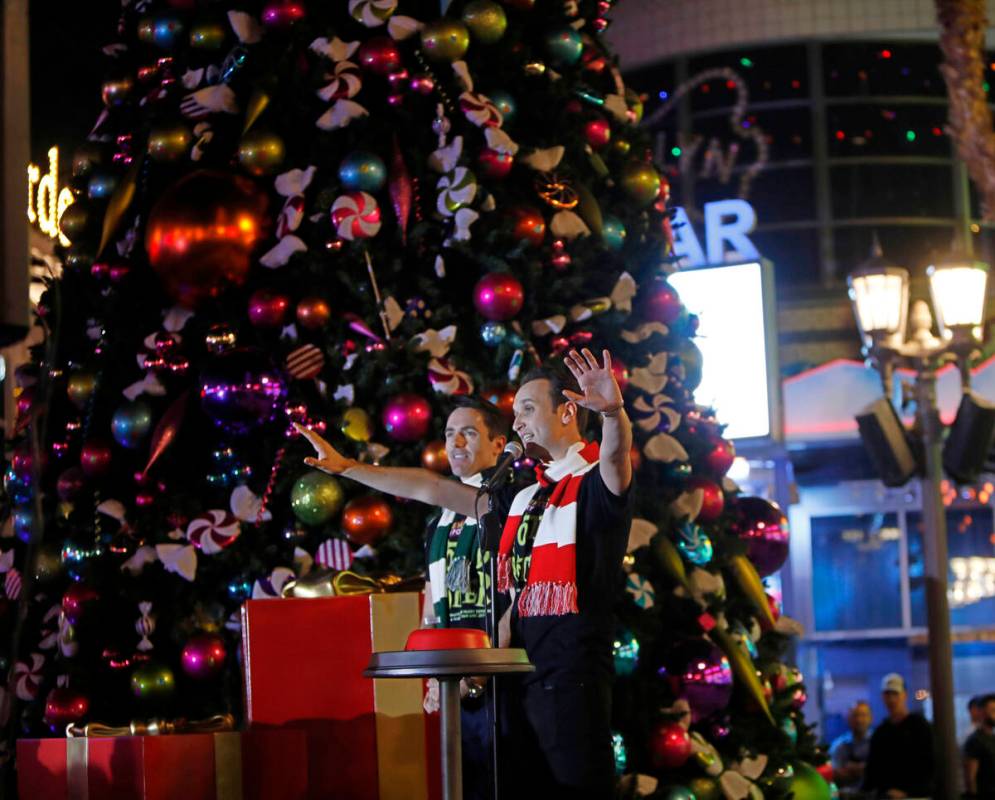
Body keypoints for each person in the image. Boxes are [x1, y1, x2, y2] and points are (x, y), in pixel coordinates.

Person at [297, 396, 517, 800]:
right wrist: (433, 671)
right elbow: (432, 599)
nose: (456, 443)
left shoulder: (507, 502)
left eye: (469, 433)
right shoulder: (439, 519)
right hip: (454, 680)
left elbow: (425, 485)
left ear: (499, 445)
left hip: (501, 680)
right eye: (450, 434)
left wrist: (482, 672)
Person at [496, 349, 633, 799]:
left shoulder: (594, 482)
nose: (516, 423)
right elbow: (516, 595)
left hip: (571, 685)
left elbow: (616, 457)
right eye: (514, 413)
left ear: (568, 411)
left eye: (528, 409)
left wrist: (613, 412)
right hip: (519, 685)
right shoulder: (526, 499)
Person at [863, 673, 935, 799]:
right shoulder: (881, 732)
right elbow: (873, 768)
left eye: (895, 694)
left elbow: (930, 764)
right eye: (887, 694)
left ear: (904, 695)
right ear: (882, 697)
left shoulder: (920, 726)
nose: (891, 699)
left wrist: (910, 792)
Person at [831, 701, 872, 794]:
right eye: (855, 715)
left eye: (863, 715)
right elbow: (835, 774)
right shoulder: (839, 746)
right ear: (848, 719)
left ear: (870, 718)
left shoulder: (878, 742)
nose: (859, 720)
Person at [964, 694, 995, 799]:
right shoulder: (975, 740)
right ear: (982, 712)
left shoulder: (991, 737)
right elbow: (970, 777)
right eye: (992, 710)